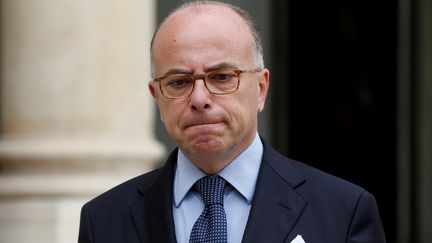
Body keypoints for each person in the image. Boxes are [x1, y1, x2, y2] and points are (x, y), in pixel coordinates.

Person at [78, 1, 386, 243]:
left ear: (261, 89)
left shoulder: (343, 212)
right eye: (179, 82)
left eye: (222, 77)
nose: (199, 98)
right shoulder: (104, 219)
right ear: (156, 96)